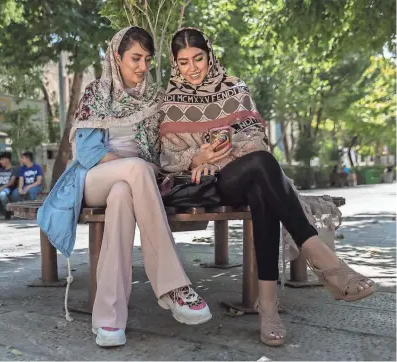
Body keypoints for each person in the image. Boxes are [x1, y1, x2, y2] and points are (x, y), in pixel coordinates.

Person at [159, 28, 375, 347]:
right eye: (184, 61)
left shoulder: (236, 89)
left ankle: (268, 307)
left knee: (262, 182)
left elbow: (256, 139)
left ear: (210, 56)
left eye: (199, 58)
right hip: (199, 187)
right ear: (175, 64)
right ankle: (326, 264)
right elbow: (167, 158)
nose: (192, 68)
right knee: (262, 169)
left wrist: (221, 158)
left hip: (237, 174)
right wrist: (196, 158)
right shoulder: (170, 101)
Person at [37, 27, 211, 348]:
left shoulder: (155, 97)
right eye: (135, 58)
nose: (142, 66)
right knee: (133, 170)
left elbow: (164, 149)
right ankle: (172, 285)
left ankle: (108, 318)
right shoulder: (97, 92)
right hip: (93, 179)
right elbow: (89, 153)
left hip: (134, 185)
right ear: (117, 58)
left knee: (123, 195)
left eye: (147, 59)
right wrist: (129, 166)